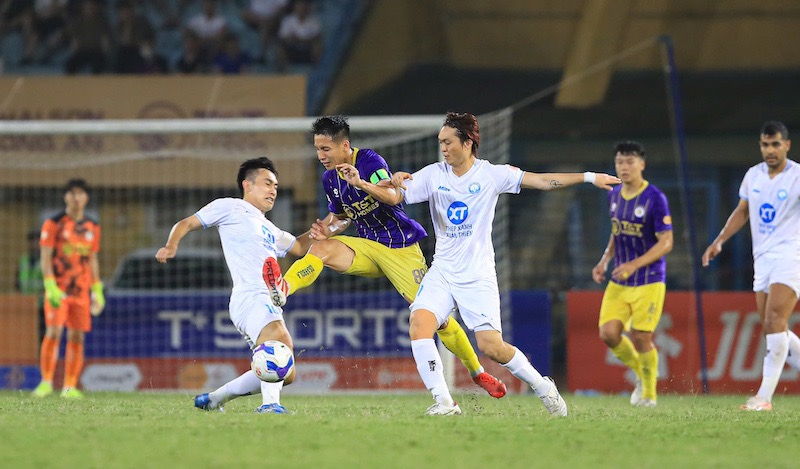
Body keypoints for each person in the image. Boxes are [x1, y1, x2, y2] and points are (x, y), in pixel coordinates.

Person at [357, 111, 620, 415]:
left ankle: (542, 386)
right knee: (419, 324)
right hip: (442, 270)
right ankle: (444, 402)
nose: (443, 147)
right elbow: (394, 196)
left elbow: (543, 181)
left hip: (477, 275)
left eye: (448, 142)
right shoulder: (433, 174)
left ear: (467, 143)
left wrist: (589, 177)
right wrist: (381, 182)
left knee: (491, 347)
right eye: (440, 142)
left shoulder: (491, 175)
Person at [263, 115, 508, 399]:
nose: (321, 156)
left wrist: (361, 184)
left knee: (436, 319)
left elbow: (391, 195)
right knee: (322, 249)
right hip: (368, 247)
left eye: (326, 149)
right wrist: (325, 228)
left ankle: (477, 371)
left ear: (345, 146)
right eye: (318, 150)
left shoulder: (369, 162)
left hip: (400, 247)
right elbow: (341, 217)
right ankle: (283, 289)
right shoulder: (330, 178)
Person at [156, 157, 315, 414]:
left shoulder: (269, 228)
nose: (273, 190)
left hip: (266, 298)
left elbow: (298, 246)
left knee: (287, 372)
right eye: (267, 183)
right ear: (247, 185)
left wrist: (329, 225)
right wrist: (171, 245)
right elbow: (186, 223)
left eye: (275, 186)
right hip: (250, 295)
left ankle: (215, 398)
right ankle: (270, 405)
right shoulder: (230, 207)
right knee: (280, 342)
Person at [702, 120, 800, 411]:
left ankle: (764, 398)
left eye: (775, 144)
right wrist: (719, 240)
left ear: (786, 145)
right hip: (763, 260)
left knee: (773, 321)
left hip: (790, 257)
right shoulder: (753, 176)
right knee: (773, 328)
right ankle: (764, 397)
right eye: (765, 144)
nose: (769, 150)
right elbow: (742, 211)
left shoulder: (797, 176)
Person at [591, 141, 673, 408]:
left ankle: (649, 395)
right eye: (620, 162)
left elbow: (666, 242)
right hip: (619, 279)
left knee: (641, 337)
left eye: (629, 162)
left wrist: (634, 265)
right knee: (608, 334)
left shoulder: (655, 198)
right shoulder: (612, 195)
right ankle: (642, 374)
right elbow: (618, 233)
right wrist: (605, 260)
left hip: (649, 280)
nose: (624, 167)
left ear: (641, 164)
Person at [32, 179, 105, 399]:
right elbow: (45, 256)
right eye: (72, 193)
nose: (76, 198)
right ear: (65, 197)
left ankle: (70, 386)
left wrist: (97, 289)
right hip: (59, 289)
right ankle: (45, 382)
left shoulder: (93, 226)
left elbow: (92, 259)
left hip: (81, 291)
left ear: (86, 198)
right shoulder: (53, 223)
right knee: (54, 331)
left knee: (77, 337)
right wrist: (50, 285)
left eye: (80, 193)